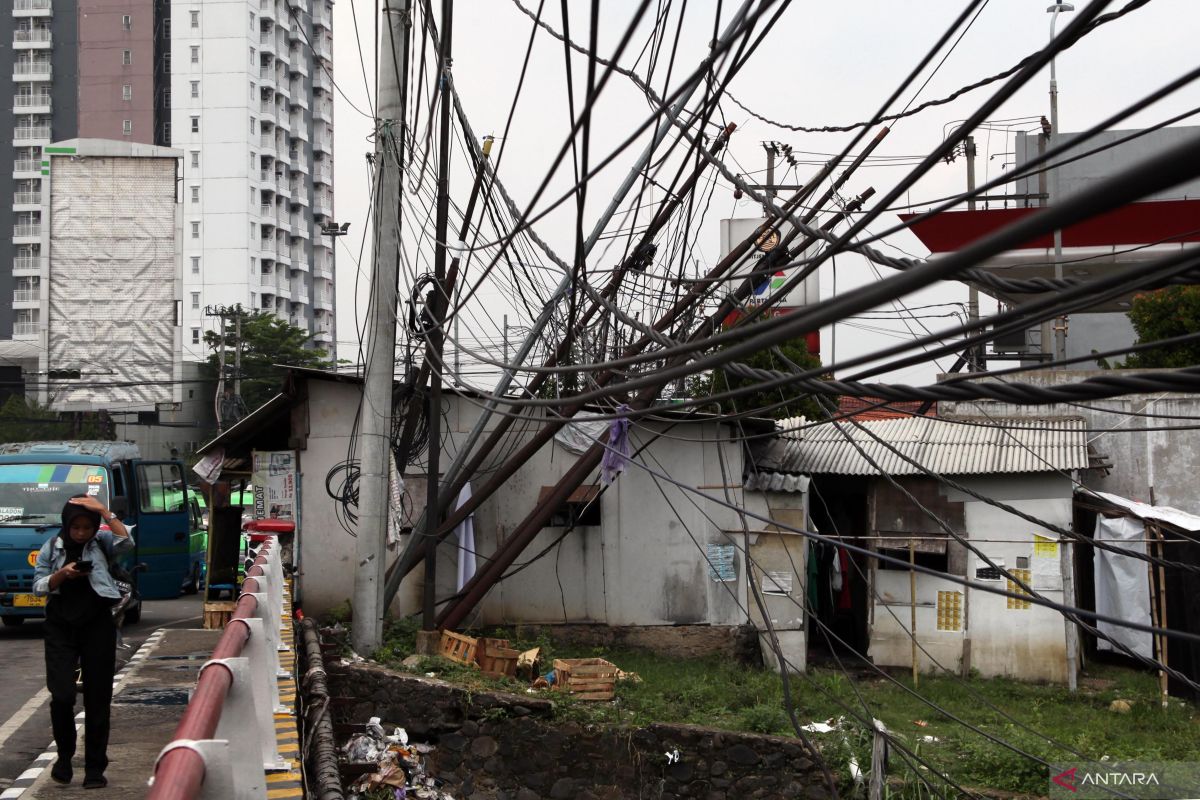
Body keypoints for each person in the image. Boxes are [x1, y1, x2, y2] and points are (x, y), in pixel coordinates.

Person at [32, 495, 133, 789]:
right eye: (75, 527)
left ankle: (94, 769)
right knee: (62, 695)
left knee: (97, 700)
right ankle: (64, 759)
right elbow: (38, 586)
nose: (80, 533)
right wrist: (61, 574)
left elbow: (126, 542)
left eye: (87, 527)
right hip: (60, 628)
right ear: (66, 525)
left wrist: (103, 510)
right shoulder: (52, 547)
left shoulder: (102, 544)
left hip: (97, 626)